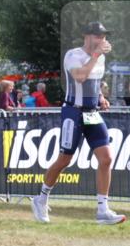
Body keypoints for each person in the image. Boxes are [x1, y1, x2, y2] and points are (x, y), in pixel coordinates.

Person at [32, 22, 124, 225]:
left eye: (104, 36)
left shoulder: (100, 58)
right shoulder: (73, 55)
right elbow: (80, 77)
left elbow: (95, 81)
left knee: (107, 158)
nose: (102, 39)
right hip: (73, 112)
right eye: (98, 36)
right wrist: (96, 55)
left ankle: (102, 209)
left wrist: (100, 96)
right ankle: (41, 198)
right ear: (87, 36)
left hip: (92, 112)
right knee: (65, 160)